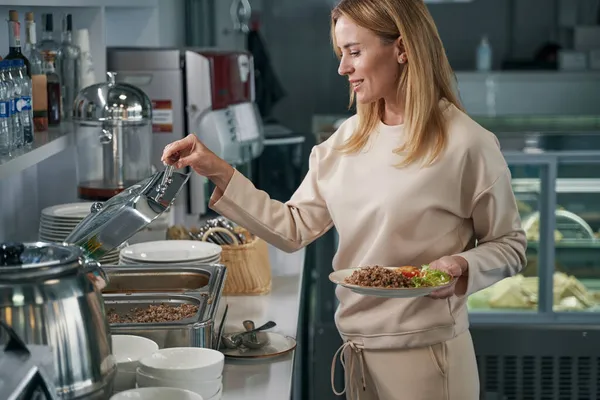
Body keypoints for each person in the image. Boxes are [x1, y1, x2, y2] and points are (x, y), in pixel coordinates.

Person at [161, 0, 527, 398]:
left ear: (402, 48)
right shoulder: (345, 141)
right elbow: (293, 228)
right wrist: (218, 169)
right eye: (341, 54)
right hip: (358, 353)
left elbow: (510, 245)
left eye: (354, 52)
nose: (343, 68)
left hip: (428, 360)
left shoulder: (466, 143)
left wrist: (462, 265)